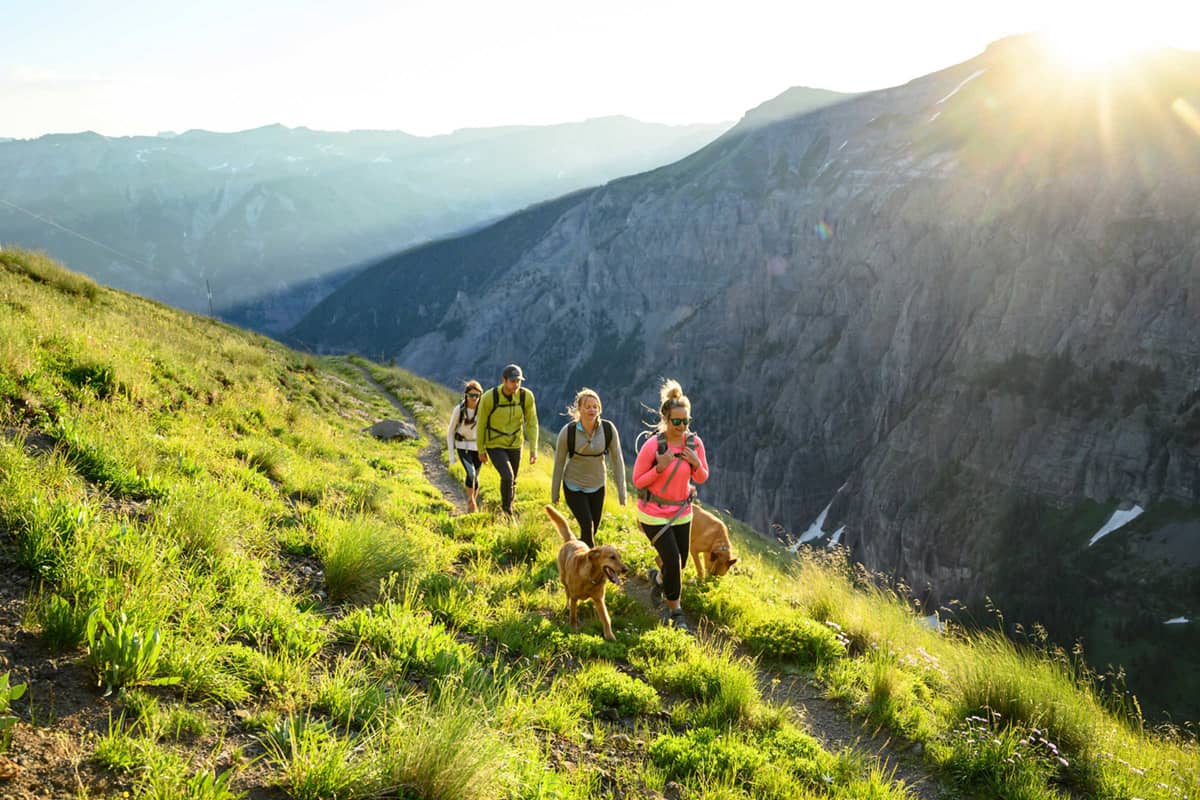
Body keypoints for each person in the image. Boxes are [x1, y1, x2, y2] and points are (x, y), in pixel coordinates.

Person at [633, 379, 709, 631]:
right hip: (653, 514)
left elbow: (701, 477)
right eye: (676, 421)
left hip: (682, 512)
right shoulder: (653, 445)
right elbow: (638, 480)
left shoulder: (694, 444)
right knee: (674, 559)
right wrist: (659, 468)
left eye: (686, 421)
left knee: (681, 561)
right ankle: (676, 611)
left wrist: (696, 462)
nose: (682, 426)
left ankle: (658, 578)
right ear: (665, 419)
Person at [550, 388, 627, 547]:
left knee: (593, 529)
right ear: (579, 409)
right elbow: (558, 463)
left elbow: (617, 460)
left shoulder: (608, 429)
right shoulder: (568, 432)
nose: (592, 410)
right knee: (587, 525)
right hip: (573, 485)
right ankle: (590, 566)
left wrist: (622, 493)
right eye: (588, 406)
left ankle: (575, 551)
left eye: (595, 406)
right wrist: (555, 493)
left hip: (598, 485)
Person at [477, 364, 539, 517]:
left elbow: (532, 423)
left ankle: (508, 507)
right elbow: (481, 424)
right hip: (494, 444)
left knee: (512, 480)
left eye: (518, 381)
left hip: (515, 443)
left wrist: (533, 449)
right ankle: (507, 512)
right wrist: (481, 449)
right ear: (503, 380)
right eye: (512, 381)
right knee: (507, 476)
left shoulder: (526, 396)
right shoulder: (489, 397)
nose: (516, 385)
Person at [446, 380, 483, 512]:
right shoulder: (459, 410)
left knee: (476, 478)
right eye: (471, 395)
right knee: (471, 474)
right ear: (466, 395)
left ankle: (471, 505)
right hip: (463, 446)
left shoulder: (482, 410)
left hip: (478, 447)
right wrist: (451, 456)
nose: (474, 399)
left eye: (477, 396)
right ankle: (471, 500)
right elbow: (450, 432)